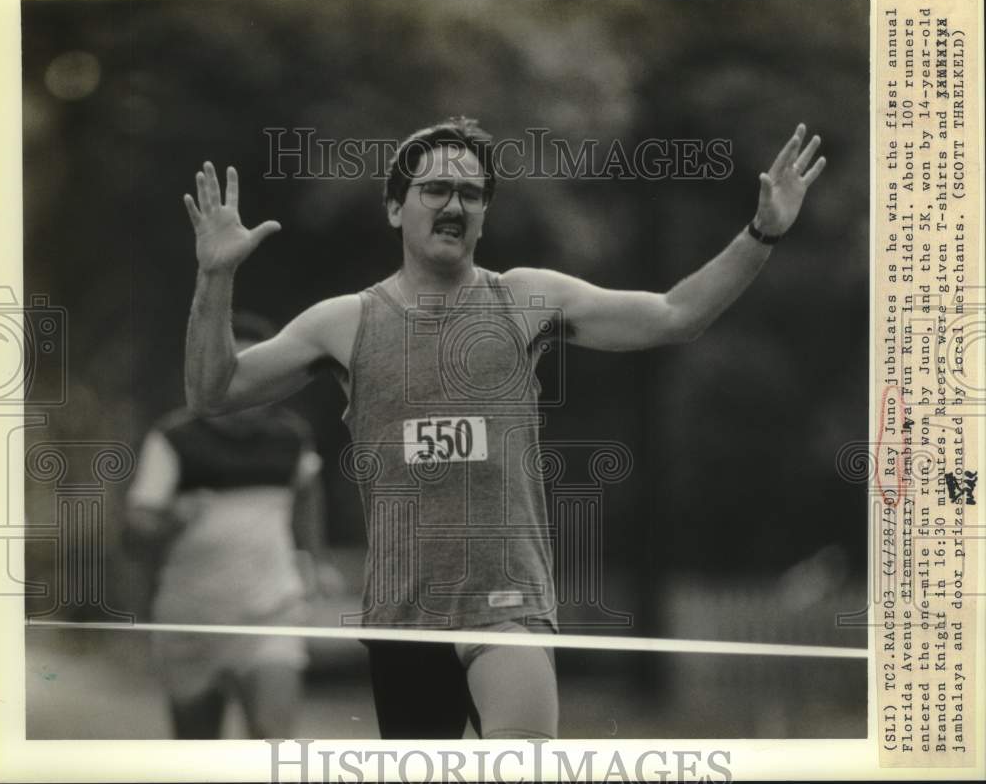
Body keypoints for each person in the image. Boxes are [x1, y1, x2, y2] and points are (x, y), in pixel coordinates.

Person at [181, 117, 825, 739]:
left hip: (508, 606)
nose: (454, 203)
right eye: (435, 188)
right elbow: (214, 391)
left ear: (485, 213)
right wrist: (215, 275)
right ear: (395, 208)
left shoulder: (524, 299)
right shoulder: (344, 323)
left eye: (471, 192)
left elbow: (674, 314)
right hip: (404, 619)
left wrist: (761, 233)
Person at [124, 312, 341, 739]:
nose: (246, 383)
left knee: (274, 740)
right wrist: (171, 519)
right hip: (192, 621)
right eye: (232, 369)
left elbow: (307, 495)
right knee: (199, 752)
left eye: (256, 369)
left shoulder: (291, 438)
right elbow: (136, 526)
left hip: (270, 614)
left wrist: (318, 559)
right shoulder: (174, 438)